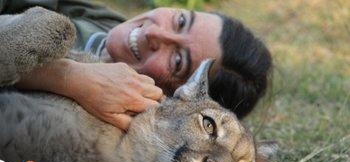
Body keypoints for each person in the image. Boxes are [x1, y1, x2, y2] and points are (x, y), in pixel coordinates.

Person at [0, 0, 272, 130]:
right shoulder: (109, 25)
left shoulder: (93, 120)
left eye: (177, 61)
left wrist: (68, 79)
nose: (155, 34)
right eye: (179, 21)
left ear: (172, 100)